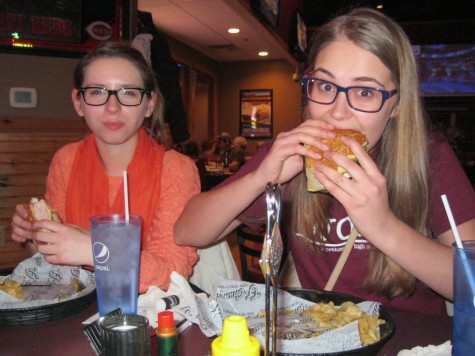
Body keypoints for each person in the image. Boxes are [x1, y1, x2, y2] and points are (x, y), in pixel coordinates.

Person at [174, 8, 475, 314]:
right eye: (326, 87)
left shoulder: (429, 156)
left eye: (365, 92)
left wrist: (383, 226)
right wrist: (258, 178)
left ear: (395, 104)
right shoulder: (291, 153)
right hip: (321, 334)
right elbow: (187, 232)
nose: (338, 112)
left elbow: (472, 283)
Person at [11, 42, 199, 293]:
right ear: (78, 102)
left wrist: (95, 250)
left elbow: (172, 273)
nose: (113, 108)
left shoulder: (176, 169)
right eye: (98, 92)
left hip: (147, 317)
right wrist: (35, 235)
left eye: (129, 93)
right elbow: (50, 260)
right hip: (76, 309)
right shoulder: (65, 160)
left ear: (149, 104)